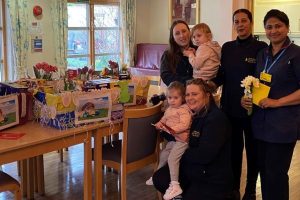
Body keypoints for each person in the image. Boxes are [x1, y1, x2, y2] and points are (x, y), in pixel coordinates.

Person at [241, 9, 300, 200]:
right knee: (264, 172)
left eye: (278, 26)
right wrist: (247, 97)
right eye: (269, 27)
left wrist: (278, 102)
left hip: (283, 126)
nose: (273, 31)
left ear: (287, 27)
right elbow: (258, 82)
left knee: (276, 174)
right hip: (260, 123)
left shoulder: (296, 54)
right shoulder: (262, 54)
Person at [212, 9, 267, 200]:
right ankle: (234, 189)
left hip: (252, 112)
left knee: (253, 152)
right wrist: (207, 84)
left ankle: (250, 190)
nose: (240, 24)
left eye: (244, 21)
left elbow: (263, 79)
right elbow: (221, 76)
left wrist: (254, 98)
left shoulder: (261, 47)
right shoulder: (227, 48)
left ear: (250, 23)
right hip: (229, 109)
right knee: (233, 152)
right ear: (233, 24)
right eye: (237, 21)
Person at [153, 78, 233, 200]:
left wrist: (184, 145)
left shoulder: (216, 119)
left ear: (207, 95)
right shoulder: (192, 113)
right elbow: (171, 133)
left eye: (195, 94)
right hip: (193, 168)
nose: (190, 98)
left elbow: (204, 155)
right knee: (159, 177)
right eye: (187, 94)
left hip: (210, 177)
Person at [146, 81, 192, 200]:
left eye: (176, 98)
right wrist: (159, 124)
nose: (172, 100)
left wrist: (172, 130)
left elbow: (185, 124)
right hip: (175, 139)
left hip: (183, 140)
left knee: (172, 159)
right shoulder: (170, 109)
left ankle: (175, 184)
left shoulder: (183, 110)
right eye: (170, 97)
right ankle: (156, 175)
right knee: (164, 154)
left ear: (182, 98)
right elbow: (164, 119)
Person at [160, 20, 194, 86]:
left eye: (184, 31)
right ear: (173, 37)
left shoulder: (200, 50)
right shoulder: (167, 55)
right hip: (177, 94)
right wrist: (191, 82)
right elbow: (166, 76)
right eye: (177, 33)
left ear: (189, 32)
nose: (182, 35)